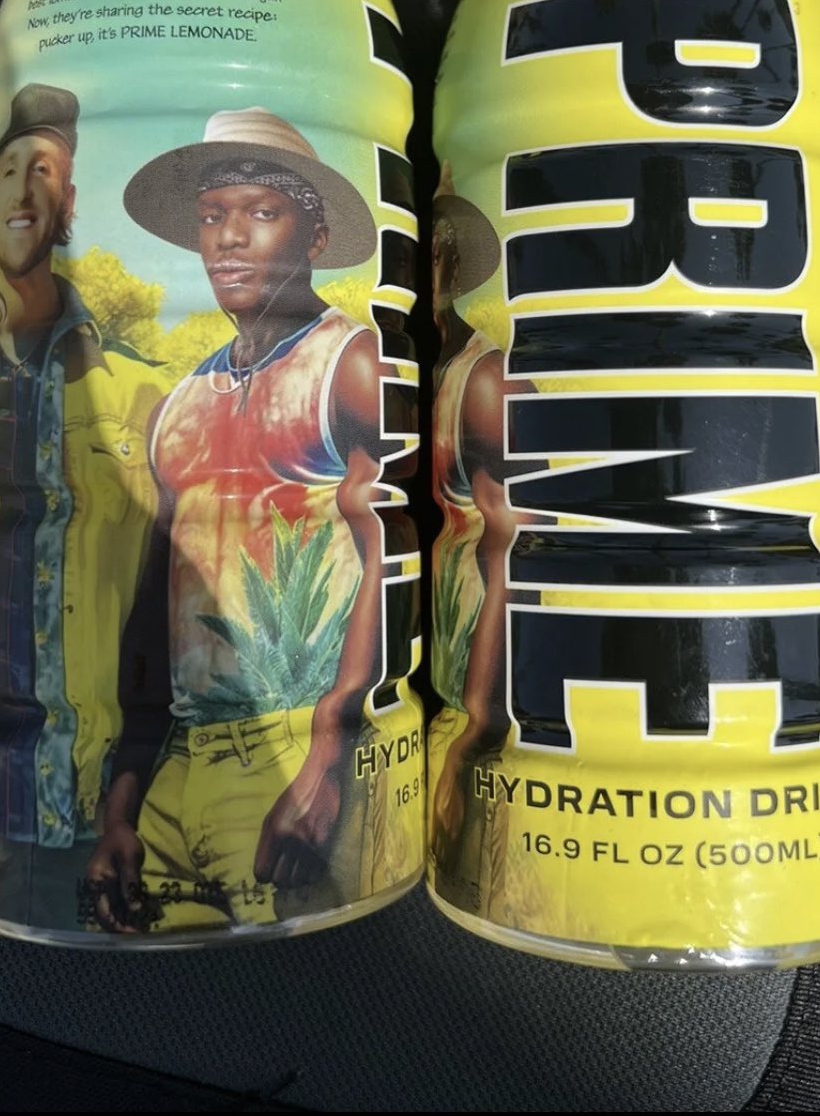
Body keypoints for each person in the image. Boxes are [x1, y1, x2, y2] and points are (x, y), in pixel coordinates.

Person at [87, 108, 409, 932]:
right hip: (175, 773)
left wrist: (329, 758)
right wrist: (124, 802)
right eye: (212, 215)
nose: (230, 237)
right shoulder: (180, 404)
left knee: (279, 977)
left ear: (315, 234)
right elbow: (155, 611)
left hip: (285, 761)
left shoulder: (350, 365)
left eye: (262, 212)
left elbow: (394, 558)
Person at [0, 83, 165, 929]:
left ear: (69, 204)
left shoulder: (139, 393)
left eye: (43, 170)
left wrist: (123, 810)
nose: (23, 190)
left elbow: (156, 630)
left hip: (88, 819)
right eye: (7, 169)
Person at [427, 168, 537, 904]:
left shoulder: (484, 377)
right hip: (445, 667)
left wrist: (473, 731)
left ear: (453, 263)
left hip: (484, 678)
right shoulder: (423, 368)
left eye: (438, 251)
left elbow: (510, 550)